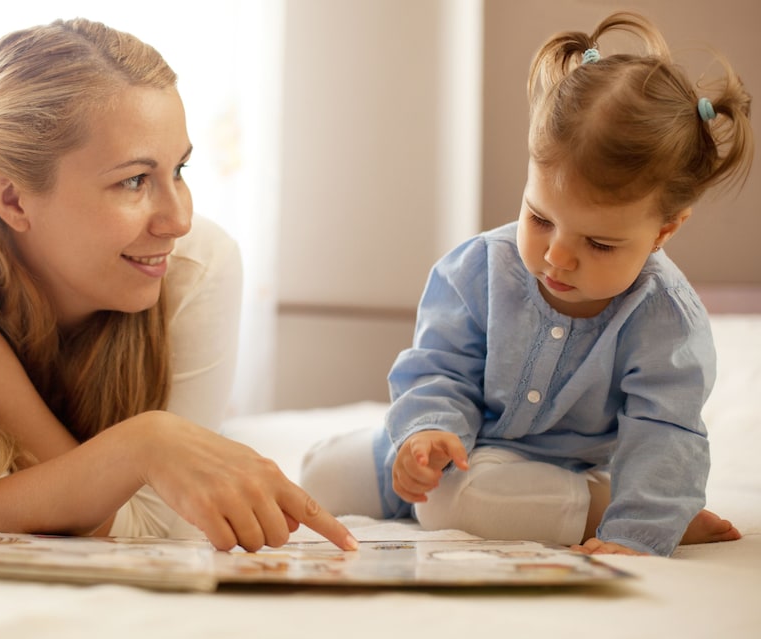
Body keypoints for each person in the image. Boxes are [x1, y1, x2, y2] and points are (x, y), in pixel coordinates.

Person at [0, 18, 357, 553]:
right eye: (133, 180)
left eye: (179, 169)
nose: (178, 220)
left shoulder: (198, 264)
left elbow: (154, 526)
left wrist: (148, 445)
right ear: (13, 200)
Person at [300, 11, 753, 557]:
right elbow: (439, 366)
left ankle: (617, 508)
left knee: (454, 503)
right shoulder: (478, 269)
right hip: (458, 445)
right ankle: (427, 468)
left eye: (599, 244)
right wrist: (426, 435)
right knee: (317, 475)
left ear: (664, 230)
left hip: (553, 473)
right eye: (540, 218)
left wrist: (637, 531)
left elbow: (665, 436)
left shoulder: (664, 320)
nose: (557, 256)